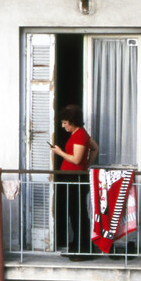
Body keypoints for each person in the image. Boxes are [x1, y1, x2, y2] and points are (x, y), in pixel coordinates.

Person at [50, 104, 99, 259]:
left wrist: (59, 152)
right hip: (72, 176)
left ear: (72, 122)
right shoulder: (80, 134)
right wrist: (86, 165)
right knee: (75, 213)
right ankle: (78, 246)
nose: (63, 126)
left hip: (75, 177)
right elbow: (95, 148)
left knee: (78, 213)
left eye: (65, 123)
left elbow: (77, 159)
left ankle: (83, 249)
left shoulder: (80, 135)